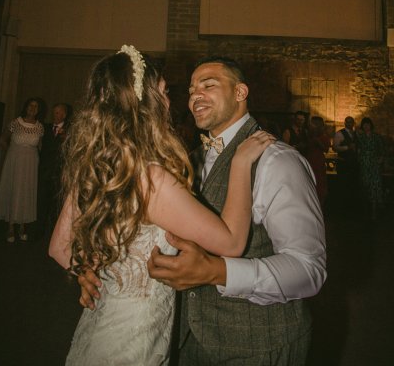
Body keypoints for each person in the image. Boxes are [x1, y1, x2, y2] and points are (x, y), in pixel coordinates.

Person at [80, 56, 326, 366]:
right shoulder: (186, 160)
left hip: (258, 346)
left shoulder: (278, 161)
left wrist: (217, 271)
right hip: (183, 342)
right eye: (192, 89)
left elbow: (308, 270)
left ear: (240, 93)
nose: (195, 95)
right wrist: (101, 268)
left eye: (208, 85)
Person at [49, 46, 275, 366]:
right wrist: (239, 164)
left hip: (99, 325)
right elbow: (232, 242)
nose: (171, 102)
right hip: (133, 342)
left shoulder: (94, 166)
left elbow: (59, 248)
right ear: (147, 102)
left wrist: (86, 271)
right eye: (165, 92)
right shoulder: (151, 180)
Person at [0, 97, 44, 242]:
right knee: (14, 189)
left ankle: (23, 225)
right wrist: (11, 154)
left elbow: (40, 146)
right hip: (15, 161)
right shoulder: (16, 122)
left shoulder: (40, 127)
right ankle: (11, 226)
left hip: (31, 163)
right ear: (26, 107)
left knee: (26, 191)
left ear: (39, 110)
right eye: (30, 105)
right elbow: (2, 140)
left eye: (36, 106)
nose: (33, 109)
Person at [37, 102, 71, 237]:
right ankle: (39, 230)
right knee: (41, 201)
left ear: (64, 114)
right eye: (54, 112)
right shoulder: (44, 128)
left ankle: (54, 233)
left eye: (58, 112)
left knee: (57, 204)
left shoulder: (71, 130)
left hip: (60, 172)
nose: (55, 115)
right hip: (45, 170)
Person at [357, 117, 384, 220]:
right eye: (364, 124)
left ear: (370, 125)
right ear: (362, 126)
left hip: (374, 164)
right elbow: (358, 150)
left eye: (367, 124)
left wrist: (380, 159)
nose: (366, 126)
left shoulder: (376, 137)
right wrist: (360, 158)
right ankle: (365, 211)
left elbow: (382, 149)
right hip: (364, 164)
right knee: (365, 185)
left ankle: (374, 212)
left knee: (374, 186)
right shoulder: (360, 137)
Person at [333, 115, 359, 208]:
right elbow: (335, 147)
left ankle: (351, 207)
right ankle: (342, 207)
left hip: (354, 164)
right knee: (343, 185)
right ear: (345, 123)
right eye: (347, 122)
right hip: (343, 163)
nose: (349, 123)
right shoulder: (339, 133)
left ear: (353, 123)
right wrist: (347, 147)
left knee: (353, 185)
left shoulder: (357, 134)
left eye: (351, 122)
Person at [305, 116, 330, 208]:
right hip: (309, 160)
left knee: (319, 183)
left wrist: (317, 141)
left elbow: (326, 149)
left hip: (318, 161)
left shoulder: (324, 136)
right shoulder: (308, 135)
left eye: (313, 124)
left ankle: (319, 207)